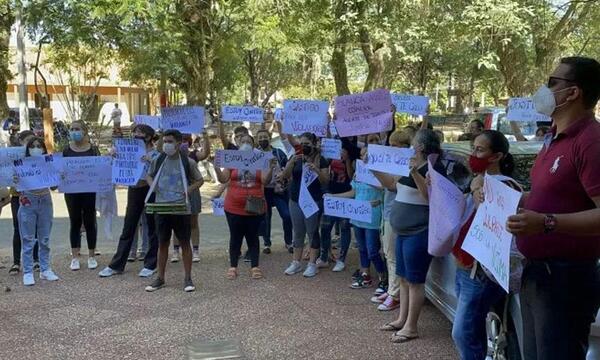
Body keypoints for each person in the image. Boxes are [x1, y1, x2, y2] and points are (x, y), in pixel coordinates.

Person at [506, 56, 600, 360]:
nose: (543, 90)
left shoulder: (591, 142)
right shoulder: (552, 138)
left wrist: (546, 222)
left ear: (573, 92)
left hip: (566, 279)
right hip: (538, 274)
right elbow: (553, 194)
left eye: (551, 83)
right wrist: (513, 197)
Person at [451, 130, 519, 360]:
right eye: (473, 148)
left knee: (462, 333)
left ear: (497, 156)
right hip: (464, 267)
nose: (473, 154)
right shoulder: (476, 182)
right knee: (472, 330)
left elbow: (498, 228)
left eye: (480, 150)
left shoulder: (507, 187)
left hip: (481, 273)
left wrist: (482, 195)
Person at [373, 129, 445, 343]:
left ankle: (411, 327)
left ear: (421, 147)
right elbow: (392, 185)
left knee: (415, 281)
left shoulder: (433, 168)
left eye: (413, 143)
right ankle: (402, 319)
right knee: (404, 279)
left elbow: (431, 197)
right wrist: (373, 167)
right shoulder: (410, 165)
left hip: (418, 232)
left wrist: (415, 173)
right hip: (403, 232)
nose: (410, 146)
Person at [144, 129, 204, 293]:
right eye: (164, 141)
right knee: (162, 243)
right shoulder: (158, 160)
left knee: (185, 242)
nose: (166, 144)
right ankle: (160, 278)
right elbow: (148, 175)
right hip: (161, 207)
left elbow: (200, 180)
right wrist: (152, 185)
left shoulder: (187, 162)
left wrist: (188, 190)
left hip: (181, 208)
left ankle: (187, 278)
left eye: (170, 141)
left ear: (178, 143)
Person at [99, 124, 160, 279]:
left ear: (148, 137)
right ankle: (117, 265)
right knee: (129, 226)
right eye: (134, 133)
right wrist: (113, 155)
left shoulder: (156, 154)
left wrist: (150, 161)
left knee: (152, 226)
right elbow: (115, 166)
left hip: (151, 190)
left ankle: (151, 264)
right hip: (134, 190)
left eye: (139, 133)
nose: (135, 136)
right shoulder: (127, 150)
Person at [215, 134, 274, 280]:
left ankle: (255, 266)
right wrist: (216, 168)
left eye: (249, 142)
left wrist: (271, 167)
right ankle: (233, 266)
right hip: (233, 207)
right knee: (235, 237)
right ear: (238, 144)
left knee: (253, 237)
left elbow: (265, 181)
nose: (246, 144)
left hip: (255, 206)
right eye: (243, 142)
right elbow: (223, 178)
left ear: (253, 145)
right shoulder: (232, 159)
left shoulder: (260, 159)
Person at [327, 146, 385, 289]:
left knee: (372, 250)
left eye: (367, 154)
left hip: (373, 217)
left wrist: (372, 174)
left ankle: (384, 277)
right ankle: (365, 276)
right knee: (362, 248)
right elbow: (353, 193)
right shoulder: (358, 173)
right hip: (358, 216)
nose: (364, 157)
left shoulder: (381, 173)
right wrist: (333, 197)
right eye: (361, 154)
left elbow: (385, 188)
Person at [373, 130, 412, 312]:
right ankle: (391, 290)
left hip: (395, 214)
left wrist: (374, 169)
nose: (391, 148)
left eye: (395, 146)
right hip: (387, 211)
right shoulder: (395, 163)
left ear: (405, 147)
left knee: (393, 256)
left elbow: (391, 185)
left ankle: (395, 295)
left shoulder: (405, 165)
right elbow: (384, 185)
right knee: (389, 254)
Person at [280, 132, 329, 277]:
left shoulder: (322, 160)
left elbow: (325, 180)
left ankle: (312, 263)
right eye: (301, 144)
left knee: (312, 231)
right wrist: (291, 162)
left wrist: (316, 169)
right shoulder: (296, 157)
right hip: (295, 199)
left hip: (312, 200)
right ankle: (296, 262)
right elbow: (285, 176)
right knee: (298, 231)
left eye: (307, 144)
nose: (303, 146)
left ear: (314, 144)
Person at [13, 137, 59, 286]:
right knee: (27, 238)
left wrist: (58, 176)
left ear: (44, 149)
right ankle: (28, 271)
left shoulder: (48, 163)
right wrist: (15, 179)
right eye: (33, 146)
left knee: (44, 238)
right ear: (28, 149)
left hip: (45, 200)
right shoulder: (21, 165)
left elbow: (54, 186)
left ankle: (45, 269)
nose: (36, 148)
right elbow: (16, 187)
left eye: (39, 146)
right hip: (28, 201)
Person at [63, 121, 99, 271]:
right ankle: (75, 257)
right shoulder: (66, 150)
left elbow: (101, 167)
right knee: (75, 222)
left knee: (90, 221)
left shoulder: (93, 149)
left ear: (84, 131)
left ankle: (91, 256)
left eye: (77, 129)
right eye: (71, 129)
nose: (74, 132)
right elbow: (61, 169)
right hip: (71, 191)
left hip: (89, 190)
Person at [171, 133, 210, 263]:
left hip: (191, 194)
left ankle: (195, 250)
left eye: (185, 140)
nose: (183, 143)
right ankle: (176, 250)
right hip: (176, 194)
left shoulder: (192, 158)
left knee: (193, 222)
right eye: (180, 140)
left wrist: (206, 137)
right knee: (176, 223)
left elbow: (205, 155)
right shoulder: (169, 158)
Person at [318, 144, 355, 272]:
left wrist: (347, 160)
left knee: (344, 228)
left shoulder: (353, 158)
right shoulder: (331, 153)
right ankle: (324, 257)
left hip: (346, 196)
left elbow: (351, 177)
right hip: (331, 195)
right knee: (325, 227)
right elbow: (326, 172)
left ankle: (341, 259)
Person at [256, 129, 293, 254]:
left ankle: (289, 242)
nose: (262, 139)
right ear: (256, 139)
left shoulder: (278, 152)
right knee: (265, 218)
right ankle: (267, 244)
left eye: (264, 137)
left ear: (270, 137)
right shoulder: (254, 154)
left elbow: (287, 167)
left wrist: (283, 174)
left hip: (279, 190)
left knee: (287, 215)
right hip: (263, 190)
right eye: (260, 137)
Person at [8, 130, 39, 275]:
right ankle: (16, 262)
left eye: (33, 141)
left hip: (35, 196)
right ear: (20, 142)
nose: (31, 144)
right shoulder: (13, 158)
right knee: (18, 228)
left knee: (35, 229)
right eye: (28, 141)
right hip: (17, 196)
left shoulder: (39, 157)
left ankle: (36, 260)